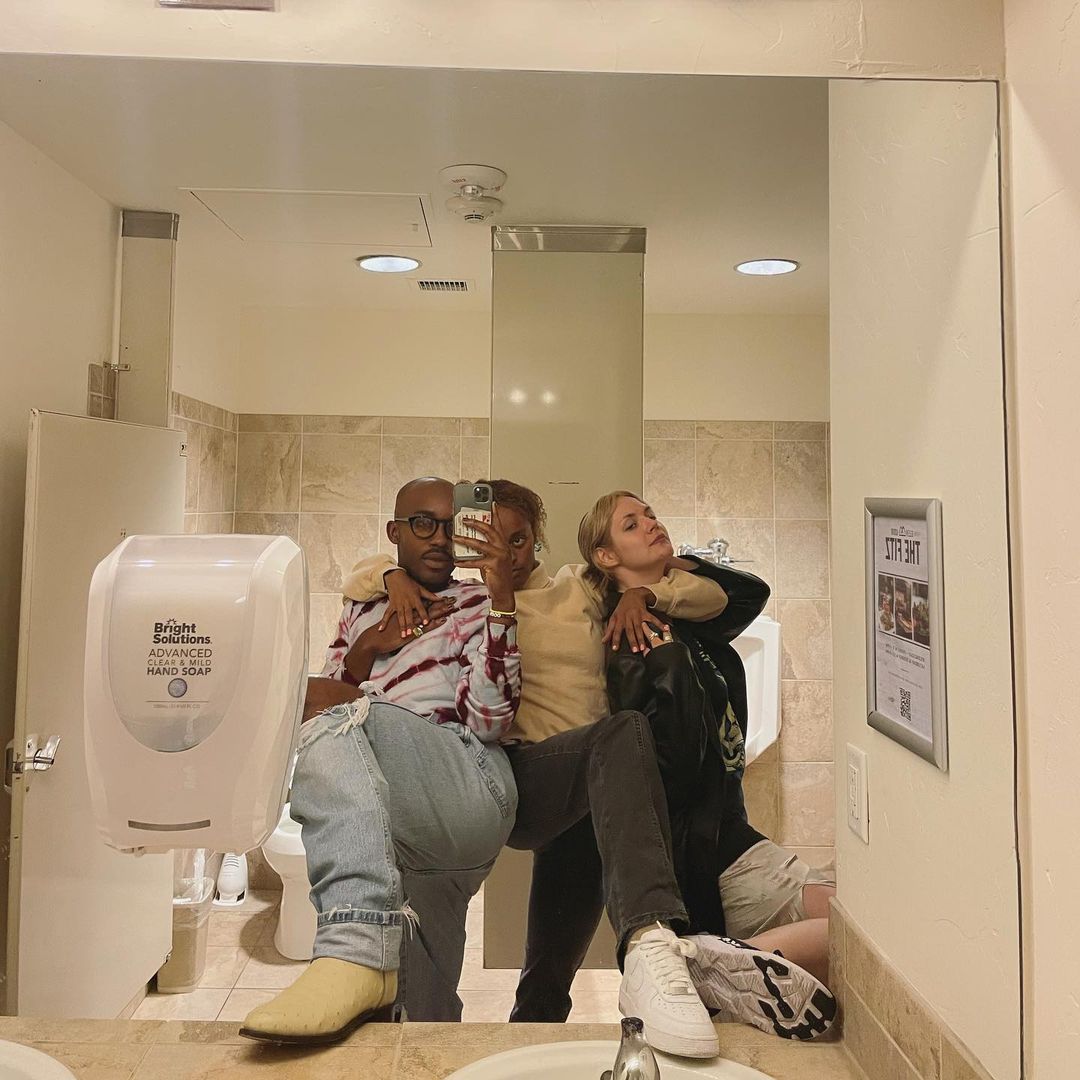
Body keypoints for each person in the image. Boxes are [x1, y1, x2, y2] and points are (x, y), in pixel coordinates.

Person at [344, 479, 831, 1054]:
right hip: (525, 777)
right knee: (622, 735)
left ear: (536, 541)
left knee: (547, 980)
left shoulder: (579, 587)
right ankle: (653, 946)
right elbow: (362, 574)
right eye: (495, 540)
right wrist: (391, 576)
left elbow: (713, 594)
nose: (510, 554)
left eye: (520, 540)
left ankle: (558, 1026)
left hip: (595, 781)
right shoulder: (469, 601)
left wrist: (644, 596)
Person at [240, 477, 521, 1045]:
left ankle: (352, 944)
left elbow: (490, 723)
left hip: (465, 779)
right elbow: (327, 712)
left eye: (451, 526)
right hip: (401, 811)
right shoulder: (362, 609)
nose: (439, 538)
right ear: (395, 532)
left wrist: (501, 604)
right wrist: (370, 644)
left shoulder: (472, 603)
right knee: (416, 1011)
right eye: (423, 523)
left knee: (313, 700)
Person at [577, 490, 837, 1037]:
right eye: (631, 524)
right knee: (854, 927)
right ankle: (696, 962)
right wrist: (656, 635)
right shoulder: (636, 640)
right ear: (605, 556)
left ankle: (715, 959)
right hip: (709, 847)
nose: (651, 523)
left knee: (849, 924)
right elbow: (664, 767)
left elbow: (750, 592)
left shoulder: (679, 616)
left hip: (728, 830)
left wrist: (650, 588)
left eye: (650, 514)